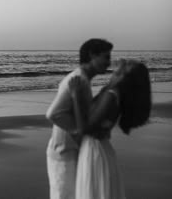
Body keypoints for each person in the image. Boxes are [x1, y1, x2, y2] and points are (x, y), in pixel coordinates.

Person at [71, 59, 152, 199]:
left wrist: (75, 96)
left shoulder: (111, 95)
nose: (125, 62)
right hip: (101, 149)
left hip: (94, 150)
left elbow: (84, 128)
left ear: (125, 75)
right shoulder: (112, 92)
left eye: (127, 65)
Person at [46, 38, 113, 199]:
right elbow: (53, 114)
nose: (108, 63)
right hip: (63, 151)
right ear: (92, 55)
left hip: (71, 149)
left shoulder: (82, 79)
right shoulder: (79, 80)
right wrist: (77, 131)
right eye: (106, 57)